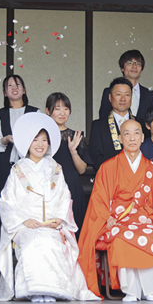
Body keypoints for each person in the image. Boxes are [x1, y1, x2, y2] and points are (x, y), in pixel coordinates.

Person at [0, 113, 99, 302]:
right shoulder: (18, 169)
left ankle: (53, 290)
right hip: (27, 225)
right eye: (35, 139)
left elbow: (64, 196)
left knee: (51, 240)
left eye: (44, 140)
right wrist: (24, 221)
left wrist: (60, 219)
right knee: (35, 241)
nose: (40, 144)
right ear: (27, 143)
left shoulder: (55, 167)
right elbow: (7, 200)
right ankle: (34, 290)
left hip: (52, 224)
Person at [78, 119, 153, 302]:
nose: (132, 138)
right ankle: (131, 290)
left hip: (144, 218)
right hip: (118, 220)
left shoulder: (152, 169)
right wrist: (107, 217)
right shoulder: (108, 167)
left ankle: (152, 288)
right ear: (120, 138)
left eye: (136, 133)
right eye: (127, 133)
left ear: (142, 137)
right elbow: (99, 198)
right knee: (121, 236)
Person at [45, 92, 93, 231]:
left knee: (74, 229)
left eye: (66, 108)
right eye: (57, 108)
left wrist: (73, 151)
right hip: (49, 188)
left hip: (72, 186)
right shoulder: (42, 137)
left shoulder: (76, 136)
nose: (62, 112)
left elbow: (82, 169)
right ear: (48, 111)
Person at [0, 75, 38, 192]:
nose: (14, 88)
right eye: (9, 85)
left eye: (18, 84)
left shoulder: (35, 112)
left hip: (29, 164)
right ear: (4, 93)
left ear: (24, 90)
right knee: (3, 196)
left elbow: (40, 138)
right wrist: (6, 139)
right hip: (4, 164)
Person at [89, 77, 142, 172]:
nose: (123, 99)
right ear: (110, 97)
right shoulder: (98, 126)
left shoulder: (140, 124)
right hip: (110, 179)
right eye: (118, 94)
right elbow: (96, 157)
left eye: (127, 95)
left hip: (138, 179)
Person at [98, 50, 153, 124]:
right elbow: (103, 118)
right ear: (122, 68)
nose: (134, 66)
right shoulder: (109, 92)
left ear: (141, 70)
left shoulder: (150, 95)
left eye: (138, 64)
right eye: (130, 63)